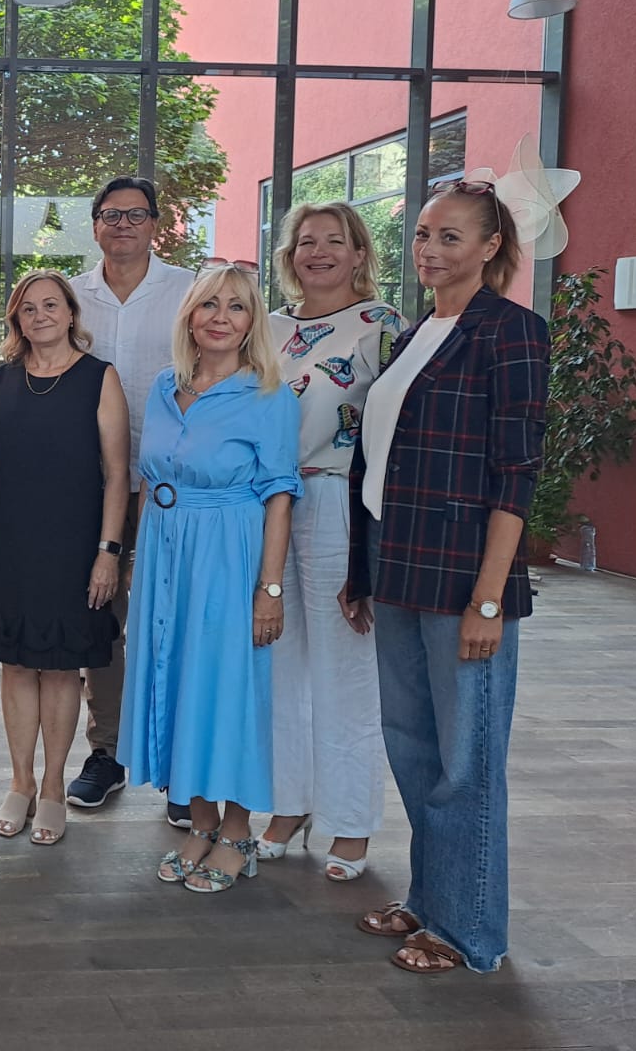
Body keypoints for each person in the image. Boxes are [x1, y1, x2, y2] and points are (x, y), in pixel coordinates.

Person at [347, 180, 548, 974]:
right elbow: (384, 461)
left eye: (451, 237)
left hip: (464, 577)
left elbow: (516, 473)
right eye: (424, 234)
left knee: (468, 760)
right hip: (397, 564)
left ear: (491, 247)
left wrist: (489, 598)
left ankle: (469, 931)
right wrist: (362, 571)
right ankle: (432, 898)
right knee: (413, 746)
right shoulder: (417, 332)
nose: (429, 249)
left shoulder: (511, 331)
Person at [117, 263, 301, 893]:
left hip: (229, 551)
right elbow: (150, 481)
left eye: (237, 306)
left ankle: (238, 831)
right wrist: (139, 561)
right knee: (176, 678)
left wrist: (269, 589)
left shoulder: (269, 395)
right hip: (165, 551)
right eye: (209, 305)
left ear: (252, 324)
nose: (221, 317)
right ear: (190, 316)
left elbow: (281, 496)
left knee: (229, 686)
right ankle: (200, 822)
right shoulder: (163, 387)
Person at [259, 203, 405, 880]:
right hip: (266, 505)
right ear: (289, 256)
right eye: (305, 241)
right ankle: (289, 806)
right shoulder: (267, 327)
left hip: (339, 502)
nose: (317, 252)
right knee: (278, 667)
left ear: (358, 253)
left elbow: (400, 433)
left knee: (344, 670)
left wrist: (374, 545)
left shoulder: (382, 326)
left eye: (334, 241)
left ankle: (349, 822)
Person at [0, 270, 130, 847]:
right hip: (10, 545)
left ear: (70, 313)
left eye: (51, 305)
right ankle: (21, 783)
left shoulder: (99, 378)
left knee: (61, 667)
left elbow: (118, 475)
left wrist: (107, 553)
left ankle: (55, 787)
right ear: (17, 318)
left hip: (74, 546)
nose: (40, 316)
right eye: (28, 308)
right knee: (15, 664)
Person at [67, 175, 196, 825]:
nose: (123, 224)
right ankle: (108, 752)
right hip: (89, 489)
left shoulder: (188, 292)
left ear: (155, 225)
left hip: (175, 486)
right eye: (111, 214)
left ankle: (181, 768)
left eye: (136, 214)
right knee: (102, 622)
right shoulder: (71, 297)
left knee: (174, 622)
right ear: (95, 225)